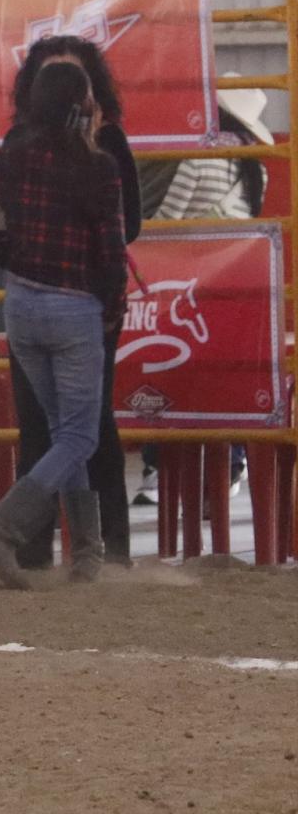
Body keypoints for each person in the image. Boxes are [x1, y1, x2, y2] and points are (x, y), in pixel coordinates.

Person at [0, 62, 129, 586]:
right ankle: (0, 528)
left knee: (62, 431)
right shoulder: (99, 167)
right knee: (79, 436)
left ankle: (87, 556)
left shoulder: (15, 156)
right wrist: (112, 307)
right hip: (75, 309)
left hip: (22, 303)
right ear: (81, 107)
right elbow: (113, 255)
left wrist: (1, 249)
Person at [3, 39, 142, 565]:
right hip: (76, 299)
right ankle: (40, 549)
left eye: (73, 77)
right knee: (44, 423)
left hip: (76, 300)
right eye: (53, 76)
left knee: (92, 426)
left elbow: (131, 221)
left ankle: (107, 548)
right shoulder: (20, 143)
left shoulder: (110, 144)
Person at [133, 81, 273, 504]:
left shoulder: (195, 160)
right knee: (226, 381)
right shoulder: (256, 169)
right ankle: (230, 467)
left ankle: (158, 471)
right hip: (234, 288)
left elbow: (165, 223)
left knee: (164, 371)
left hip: (186, 289)